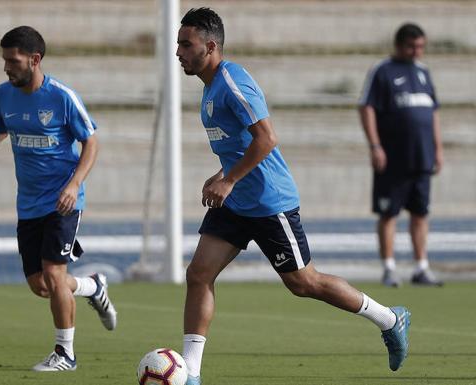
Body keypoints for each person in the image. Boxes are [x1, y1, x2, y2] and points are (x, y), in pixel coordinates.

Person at [176, 8, 411, 384]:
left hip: (270, 202)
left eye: (186, 44)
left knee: (304, 283)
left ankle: (389, 318)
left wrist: (229, 179)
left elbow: (267, 139)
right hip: (237, 202)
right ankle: (190, 373)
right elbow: (240, 146)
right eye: (178, 44)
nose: (178, 52)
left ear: (210, 46)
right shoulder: (209, 88)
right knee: (199, 274)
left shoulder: (233, 82)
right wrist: (222, 175)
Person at [0, 26, 117, 372]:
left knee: (54, 272)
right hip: (28, 203)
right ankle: (93, 287)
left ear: (34, 60)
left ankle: (65, 355)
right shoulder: (4, 94)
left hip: (63, 201)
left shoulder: (61, 97)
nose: (6, 67)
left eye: (12, 60)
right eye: (4, 60)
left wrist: (74, 184)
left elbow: (91, 142)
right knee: (41, 285)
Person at [358, 23, 444, 287]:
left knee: (420, 213)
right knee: (389, 214)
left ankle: (421, 267)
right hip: (392, 158)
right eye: (412, 46)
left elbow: (433, 113)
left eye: (421, 46)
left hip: (421, 157)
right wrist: (375, 145)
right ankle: (389, 268)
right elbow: (367, 107)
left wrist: (438, 149)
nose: (417, 51)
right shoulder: (383, 71)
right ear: (399, 45)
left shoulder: (423, 72)